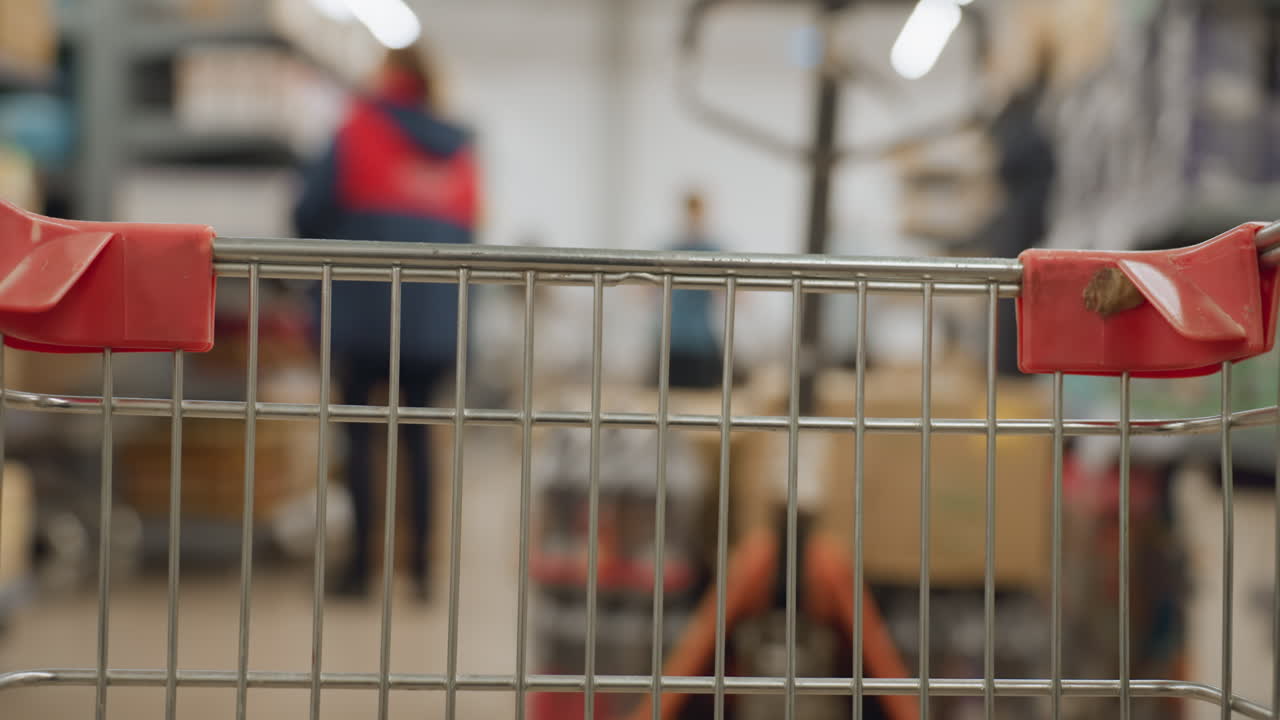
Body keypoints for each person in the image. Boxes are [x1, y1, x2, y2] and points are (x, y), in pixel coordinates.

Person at [294, 43, 479, 599]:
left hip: (363, 314)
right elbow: (470, 235)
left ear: (391, 74)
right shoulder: (459, 149)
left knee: (358, 438)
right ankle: (420, 570)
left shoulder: (358, 131)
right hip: (435, 322)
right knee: (418, 439)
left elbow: (307, 212)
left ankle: (361, 569)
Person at [660, 191, 723, 388]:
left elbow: (734, 292)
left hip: (700, 339)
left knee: (701, 394)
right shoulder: (672, 249)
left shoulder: (712, 251)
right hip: (674, 337)